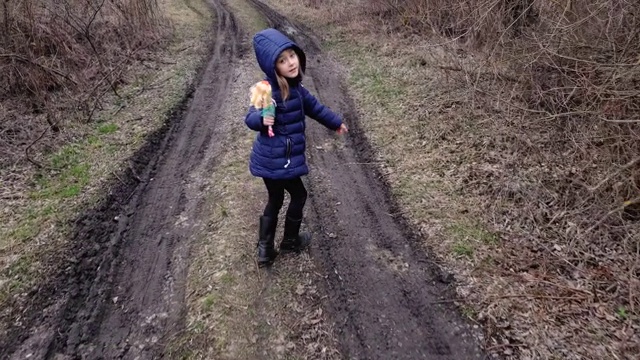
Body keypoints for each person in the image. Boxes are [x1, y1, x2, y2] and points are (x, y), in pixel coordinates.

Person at [245, 28, 348, 266]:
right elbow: (249, 119)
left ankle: (265, 250)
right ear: (273, 67)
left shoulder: (298, 89)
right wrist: (262, 120)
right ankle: (288, 241)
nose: (290, 63)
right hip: (278, 159)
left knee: (276, 199)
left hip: (277, 159)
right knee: (297, 195)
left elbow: (316, 109)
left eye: (292, 56)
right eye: (282, 60)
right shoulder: (265, 90)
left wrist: (336, 123)